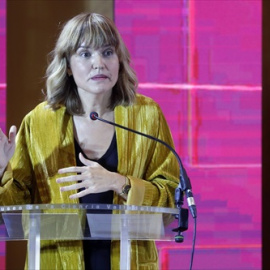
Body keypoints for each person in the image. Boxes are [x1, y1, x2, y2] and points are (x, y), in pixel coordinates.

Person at [0, 13, 179, 269]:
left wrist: (120, 183)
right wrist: (0, 170)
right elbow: (12, 211)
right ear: (69, 66)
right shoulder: (39, 122)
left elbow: (171, 199)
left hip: (130, 262)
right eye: (85, 54)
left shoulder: (146, 116)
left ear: (119, 60)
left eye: (107, 52)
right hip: (55, 262)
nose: (99, 63)